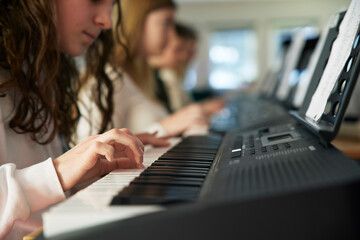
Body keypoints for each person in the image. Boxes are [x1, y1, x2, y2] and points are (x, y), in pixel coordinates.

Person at [0, 1, 158, 238]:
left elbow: (39, 206)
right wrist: (58, 172)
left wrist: (89, 173)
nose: (107, 21)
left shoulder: (42, 70)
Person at [78, 0, 209, 140]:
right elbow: (89, 150)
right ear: (136, 22)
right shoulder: (110, 78)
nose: (173, 36)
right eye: (166, 23)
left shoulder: (140, 77)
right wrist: (162, 128)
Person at [149, 22, 225, 116]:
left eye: (191, 51)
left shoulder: (171, 75)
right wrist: (202, 109)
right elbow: (168, 116)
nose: (185, 56)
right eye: (178, 49)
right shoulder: (151, 79)